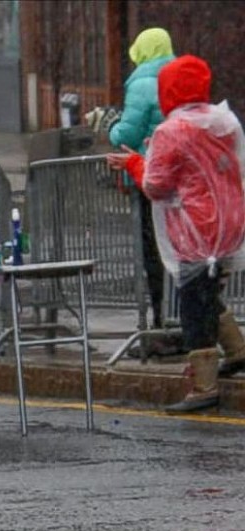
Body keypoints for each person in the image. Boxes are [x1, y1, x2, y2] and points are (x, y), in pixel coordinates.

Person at [106, 55, 245, 412]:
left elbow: (156, 185)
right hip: (230, 222)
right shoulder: (224, 121)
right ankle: (237, 350)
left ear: (168, 91)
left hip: (196, 229)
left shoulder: (173, 131)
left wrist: (135, 162)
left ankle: (204, 386)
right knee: (207, 291)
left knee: (194, 304)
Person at [107, 28, 175, 333]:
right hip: (177, 176)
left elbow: (127, 134)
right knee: (179, 248)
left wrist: (111, 126)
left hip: (146, 173)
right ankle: (180, 318)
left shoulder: (142, 84)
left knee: (153, 249)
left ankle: (161, 320)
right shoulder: (177, 76)